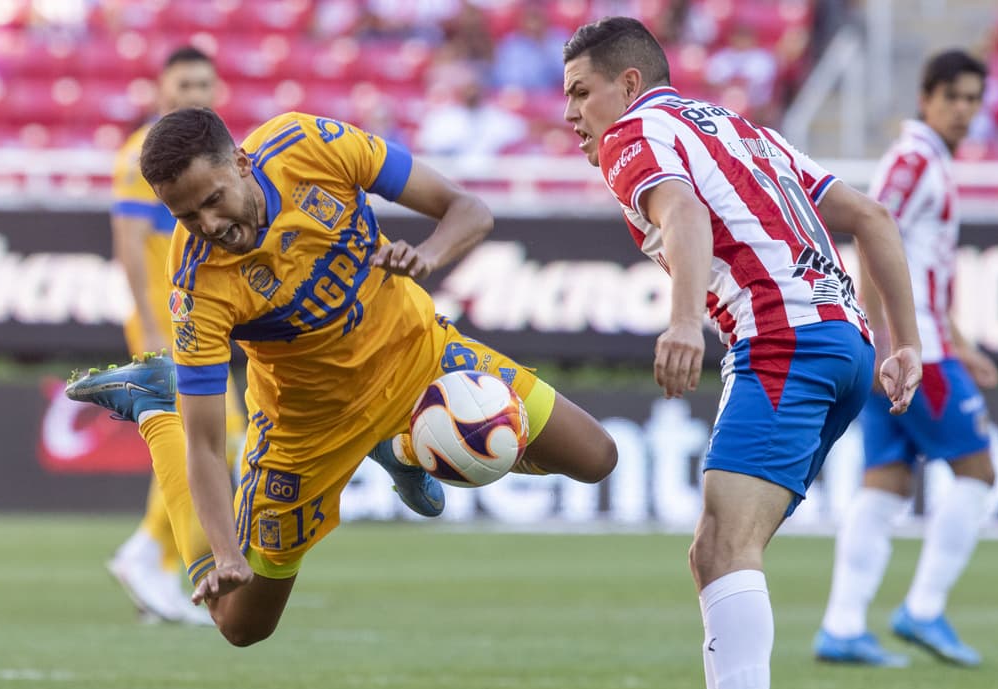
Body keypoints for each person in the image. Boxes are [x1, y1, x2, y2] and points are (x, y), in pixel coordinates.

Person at [67, 107, 618, 648]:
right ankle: (157, 405)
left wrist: (427, 256)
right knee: (240, 625)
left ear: (241, 162)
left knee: (596, 457)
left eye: (212, 200)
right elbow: (207, 447)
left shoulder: (310, 146)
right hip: (308, 430)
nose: (208, 226)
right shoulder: (196, 285)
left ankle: (401, 446)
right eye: (186, 216)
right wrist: (227, 556)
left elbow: (468, 210)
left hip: (419, 357)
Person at [561, 16, 922, 689]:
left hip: (782, 339)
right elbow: (871, 216)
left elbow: (684, 213)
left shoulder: (632, 135)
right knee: (717, 551)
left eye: (581, 92)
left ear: (627, 83)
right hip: (845, 345)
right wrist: (905, 343)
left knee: (725, 546)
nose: (572, 113)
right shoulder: (742, 129)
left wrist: (682, 320)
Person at [816, 50, 996, 668]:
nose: (963, 110)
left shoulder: (929, 160)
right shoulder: (915, 159)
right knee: (978, 471)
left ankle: (841, 626)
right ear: (926, 98)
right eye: (953, 97)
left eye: (973, 99)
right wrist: (881, 335)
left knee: (887, 481)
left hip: (915, 345)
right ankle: (923, 609)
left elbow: (921, 266)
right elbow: (871, 231)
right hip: (915, 353)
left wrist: (962, 342)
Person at [106, 46, 237, 625]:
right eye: (185, 84)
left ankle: (153, 555)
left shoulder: (210, 155)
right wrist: (150, 326)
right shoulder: (142, 154)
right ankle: (150, 553)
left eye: (204, 84)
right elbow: (130, 245)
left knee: (216, 438)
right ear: (161, 89)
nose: (195, 95)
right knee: (211, 436)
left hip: (197, 320)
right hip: (165, 322)